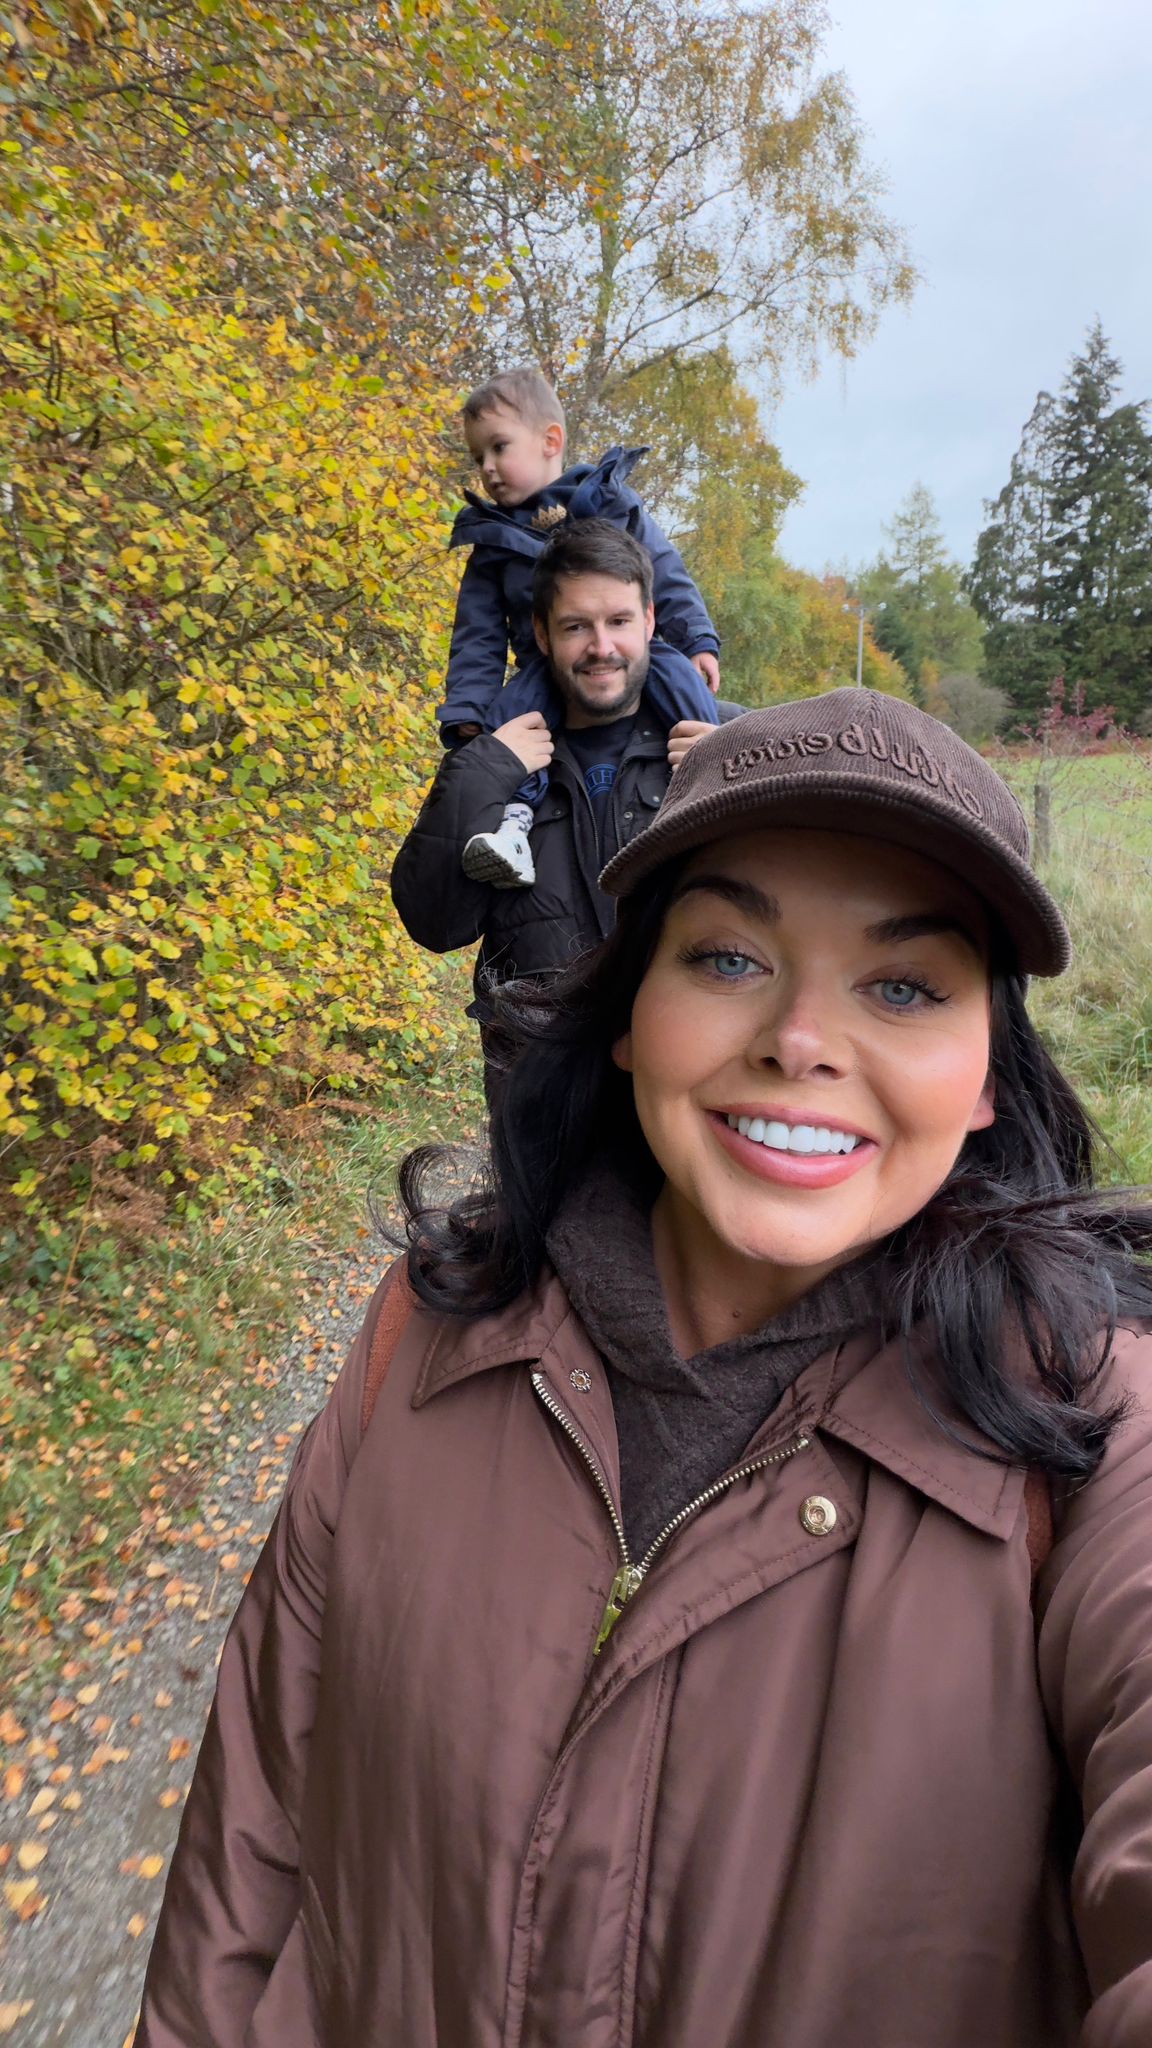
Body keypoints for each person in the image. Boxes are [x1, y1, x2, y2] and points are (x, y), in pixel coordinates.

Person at [137, 688, 1152, 2047]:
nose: (802, 1037)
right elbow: (252, 1835)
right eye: (730, 957)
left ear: (984, 1078)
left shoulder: (1091, 1440)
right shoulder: (420, 1344)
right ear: (629, 1016)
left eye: (904, 984)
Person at [392, 518, 742, 1093]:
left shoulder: (725, 739)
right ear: (543, 633)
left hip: (692, 1094)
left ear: (651, 621)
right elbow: (434, 922)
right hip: (541, 1104)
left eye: (619, 621)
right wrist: (486, 770)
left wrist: (736, 776)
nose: (601, 647)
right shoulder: (496, 755)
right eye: (577, 625)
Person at [443, 365, 722, 889]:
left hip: (641, 655)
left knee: (682, 682)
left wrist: (697, 640)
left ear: (551, 441)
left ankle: (707, 783)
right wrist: (469, 713)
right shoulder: (492, 541)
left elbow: (665, 571)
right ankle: (515, 826)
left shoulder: (610, 500)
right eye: (478, 456)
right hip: (542, 669)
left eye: (499, 447)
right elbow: (477, 637)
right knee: (508, 723)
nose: (488, 468)